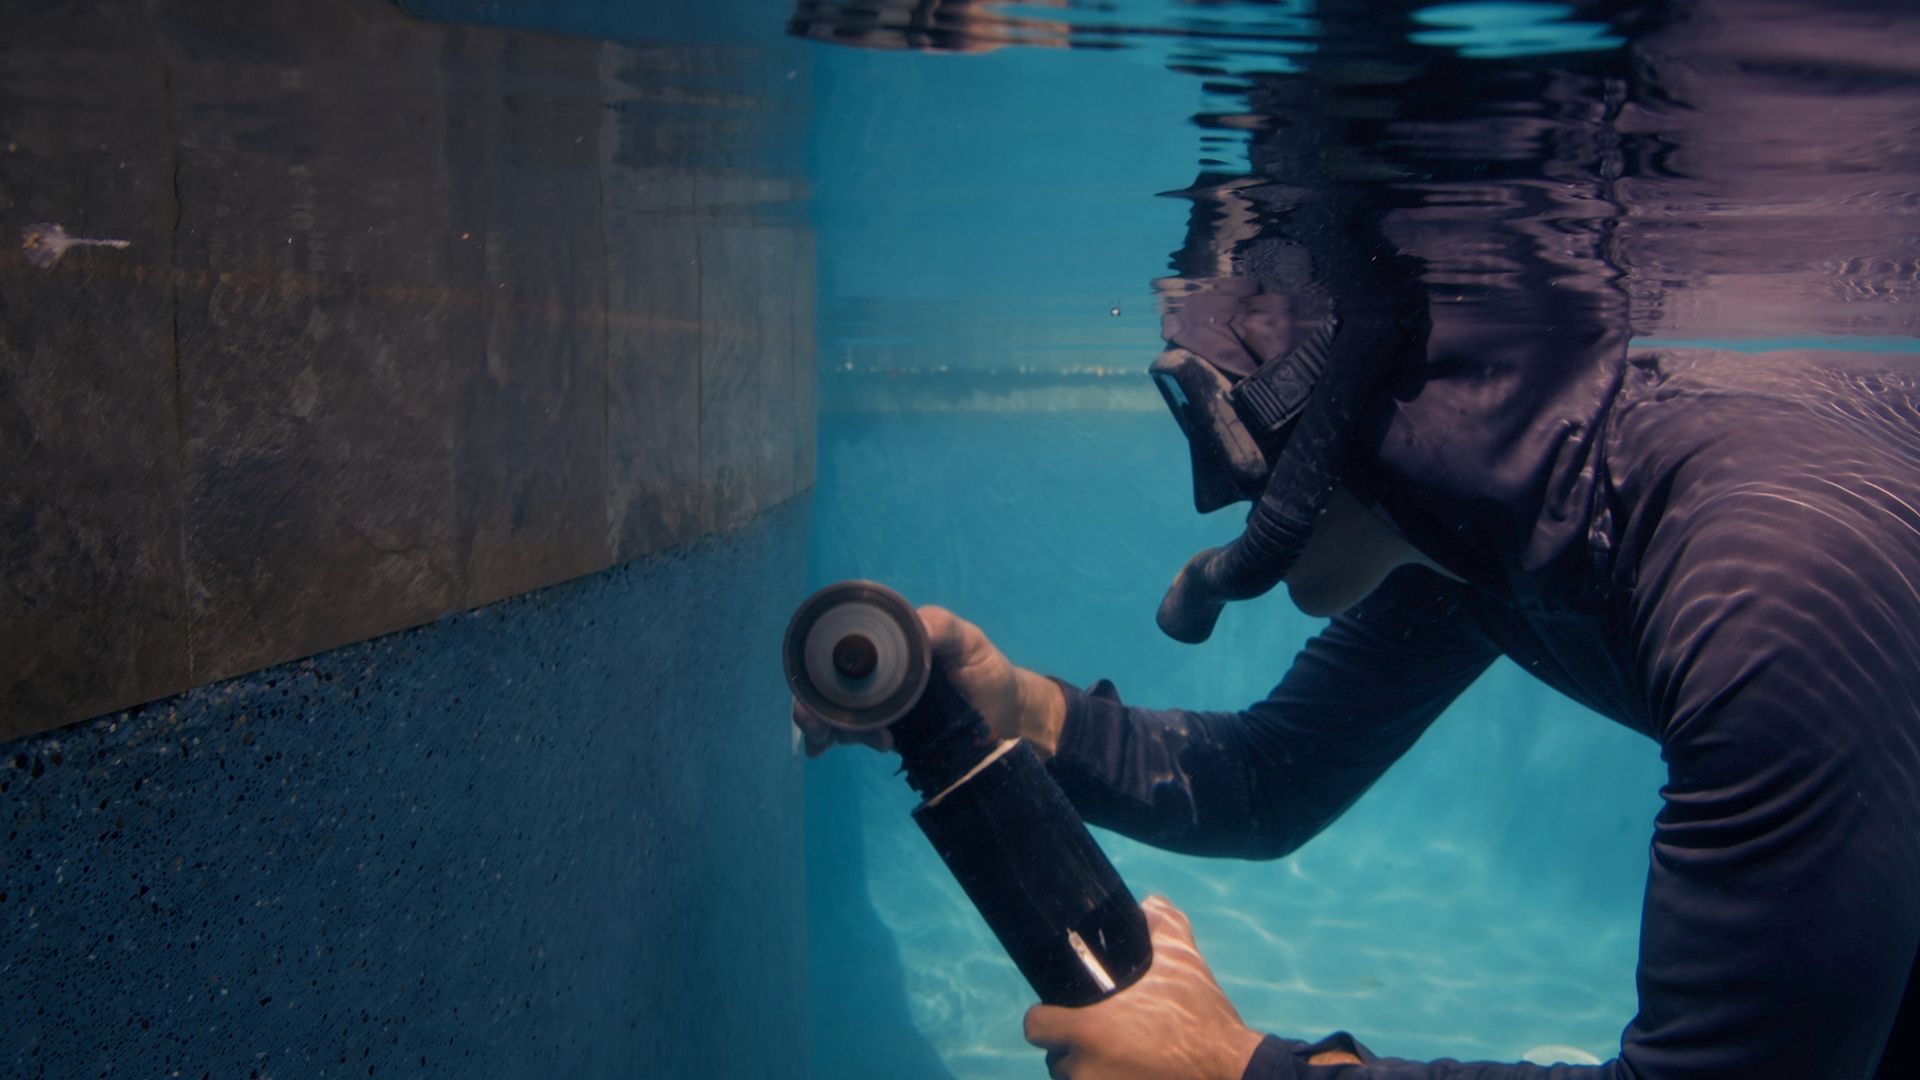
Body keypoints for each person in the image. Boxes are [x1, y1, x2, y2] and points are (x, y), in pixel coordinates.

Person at [796, 1, 1920, 1075]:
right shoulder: (1492, 539)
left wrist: (1236, 1071)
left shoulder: (1768, 578)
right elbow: (1267, 781)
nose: (1216, 486)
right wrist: (1024, 713)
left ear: (1337, 399)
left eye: (1232, 405)